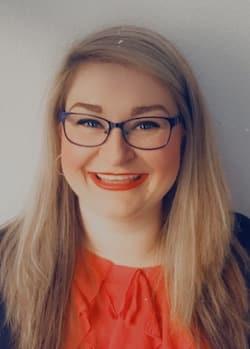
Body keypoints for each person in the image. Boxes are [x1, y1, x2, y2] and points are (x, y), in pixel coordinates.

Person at [0, 25, 249, 349]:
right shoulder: (5, 267)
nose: (116, 154)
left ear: (186, 135)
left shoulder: (243, 256)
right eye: (89, 122)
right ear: (57, 131)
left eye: (146, 124)